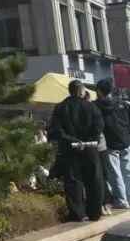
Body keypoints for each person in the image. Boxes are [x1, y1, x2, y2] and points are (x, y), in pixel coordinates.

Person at [49, 80, 105, 222]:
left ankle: (77, 213)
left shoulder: (60, 107)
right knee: (94, 180)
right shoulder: (91, 107)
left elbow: (56, 130)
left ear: (70, 91)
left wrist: (73, 140)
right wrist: (90, 140)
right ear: (82, 91)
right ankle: (95, 212)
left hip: (70, 149)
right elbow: (99, 126)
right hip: (90, 148)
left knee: (73, 181)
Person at [96, 78, 130, 210]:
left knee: (115, 173)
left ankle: (121, 200)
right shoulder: (122, 104)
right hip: (125, 140)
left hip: (110, 143)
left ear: (99, 91)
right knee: (127, 171)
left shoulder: (97, 106)